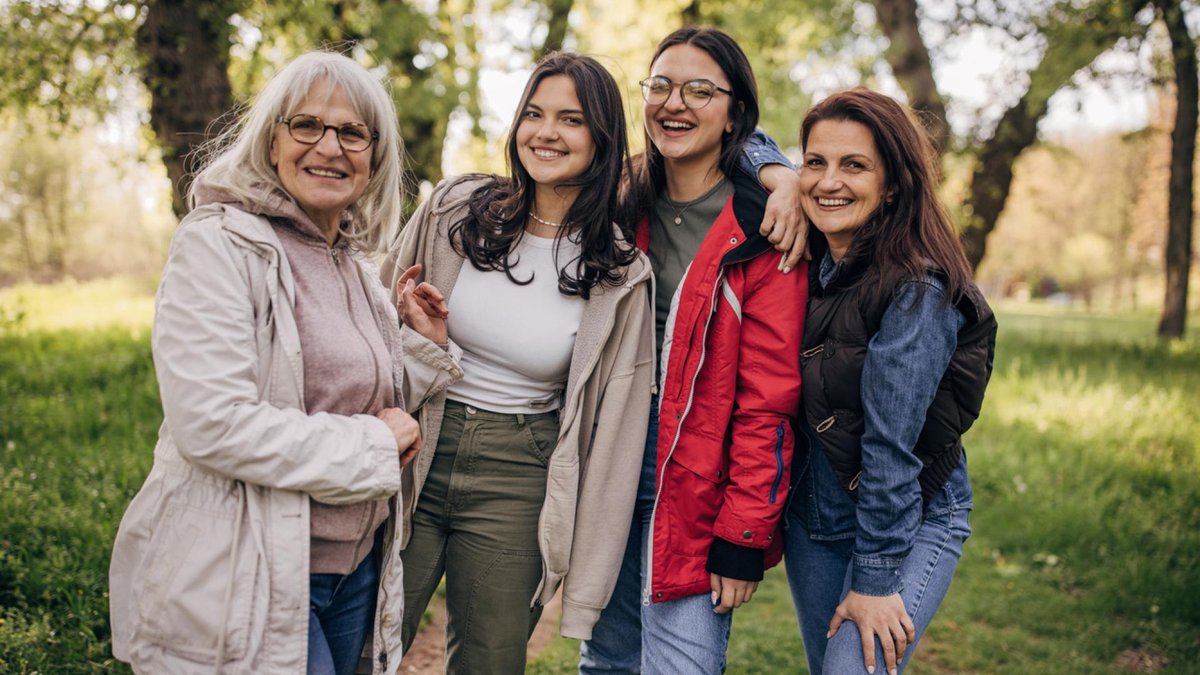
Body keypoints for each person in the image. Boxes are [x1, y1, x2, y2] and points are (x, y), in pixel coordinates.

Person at [108, 51, 461, 675]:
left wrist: (419, 349)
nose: (330, 146)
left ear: (374, 156)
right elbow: (212, 423)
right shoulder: (218, 245)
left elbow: (346, 397)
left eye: (353, 132)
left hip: (354, 571)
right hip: (256, 565)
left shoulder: (351, 264)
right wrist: (373, 448)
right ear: (272, 141)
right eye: (307, 126)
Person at [380, 52, 656, 674]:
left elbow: (616, 430)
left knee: (489, 661)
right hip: (411, 443)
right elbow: (371, 321)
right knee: (366, 639)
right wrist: (422, 338)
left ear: (603, 138)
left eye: (570, 119)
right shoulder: (455, 209)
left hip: (520, 472)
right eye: (534, 113)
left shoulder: (619, 272)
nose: (546, 132)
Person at [580, 27, 808, 674]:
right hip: (613, 459)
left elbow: (769, 401)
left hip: (699, 475)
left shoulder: (764, 223)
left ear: (735, 111)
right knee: (607, 657)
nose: (674, 103)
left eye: (700, 90)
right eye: (660, 86)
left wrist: (742, 535)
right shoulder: (620, 202)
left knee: (682, 663)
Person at [783, 88, 996, 675]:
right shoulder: (807, 262)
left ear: (893, 184)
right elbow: (741, 138)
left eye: (855, 165)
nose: (830, 181)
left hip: (913, 509)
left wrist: (876, 578)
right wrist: (778, 175)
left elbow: (889, 443)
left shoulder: (916, 290)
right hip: (816, 516)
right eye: (816, 162)